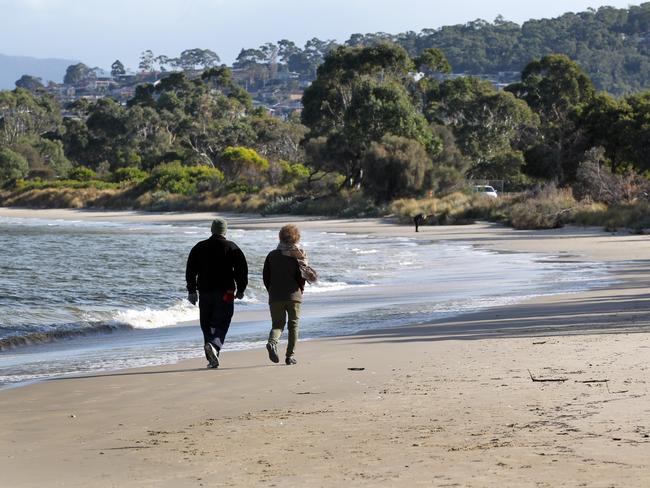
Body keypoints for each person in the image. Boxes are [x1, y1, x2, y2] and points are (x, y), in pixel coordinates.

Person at [186, 217, 248, 369]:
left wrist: (192, 291)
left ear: (212, 230)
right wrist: (241, 289)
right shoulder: (232, 247)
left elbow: (190, 270)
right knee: (223, 320)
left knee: (206, 323)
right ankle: (214, 346)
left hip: (205, 292)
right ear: (225, 231)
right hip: (226, 292)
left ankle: (212, 354)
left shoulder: (199, 247)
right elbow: (242, 270)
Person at [263, 224, 317, 366]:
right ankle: (290, 356)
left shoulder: (272, 255)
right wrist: (300, 291)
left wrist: (272, 290)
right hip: (294, 296)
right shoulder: (299, 255)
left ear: (280, 237)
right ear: (296, 238)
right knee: (293, 326)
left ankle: (272, 342)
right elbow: (302, 277)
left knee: (277, 324)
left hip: (275, 296)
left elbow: (266, 277)